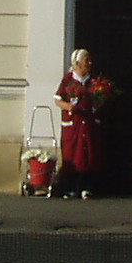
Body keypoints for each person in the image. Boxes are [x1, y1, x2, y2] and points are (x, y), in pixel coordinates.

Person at [55, 47, 105, 199]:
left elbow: (100, 99)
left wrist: (99, 102)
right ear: (77, 63)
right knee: (72, 154)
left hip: (89, 124)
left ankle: (86, 187)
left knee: (88, 154)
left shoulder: (93, 81)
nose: (90, 63)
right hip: (73, 125)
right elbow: (58, 99)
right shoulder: (68, 80)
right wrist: (68, 106)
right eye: (86, 60)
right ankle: (69, 188)